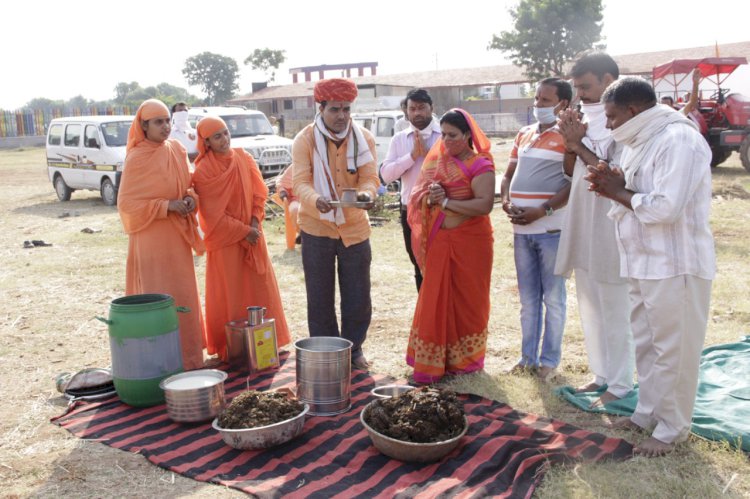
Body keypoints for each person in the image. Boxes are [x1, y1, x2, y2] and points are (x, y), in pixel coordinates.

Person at [586, 77, 715, 457]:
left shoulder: (679, 139)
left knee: (674, 349)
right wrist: (616, 182)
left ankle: (673, 428)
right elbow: (636, 190)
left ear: (633, 111)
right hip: (641, 259)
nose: (607, 125)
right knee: (647, 342)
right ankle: (647, 412)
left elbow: (664, 207)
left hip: (675, 263)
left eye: (611, 117)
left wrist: (617, 191)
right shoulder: (641, 139)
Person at [556, 52, 635, 407]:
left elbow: (611, 172)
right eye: (577, 88)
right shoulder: (582, 118)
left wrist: (578, 143)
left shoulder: (625, 120)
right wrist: (570, 142)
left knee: (614, 303)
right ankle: (601, 374)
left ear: (608, 81)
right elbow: (572, 172)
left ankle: (620, 384)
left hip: (611, 219)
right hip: (583, 216)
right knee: (589, 301)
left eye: (586, 87)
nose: (581, 95)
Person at [292, 78, 380, 370]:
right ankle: (327, 351)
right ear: (321, 108)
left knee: (358, 294)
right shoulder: (304, 139)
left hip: (355, 227)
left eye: (346, 109)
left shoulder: (363, 136)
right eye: (335, 110)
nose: (342, 115)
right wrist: (316, 199)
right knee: (319, 296)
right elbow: (300, 182)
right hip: (316, 227)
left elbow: (370, 176)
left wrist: (367, 193)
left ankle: (354, 350)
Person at [406, 109, 495, 384]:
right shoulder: (438, 162)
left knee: (468, 301)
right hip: (441, 241)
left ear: (468, 135)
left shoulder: (481, 164)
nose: (445, 141)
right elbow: (419, 193)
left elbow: (484, 205)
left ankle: (465, 361)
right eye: (443, 135)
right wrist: (430, 195)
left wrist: (445, 203)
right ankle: (433, 363)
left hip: (472, 243)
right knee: (435, 298)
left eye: (452, 135)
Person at [192, 116, 290, 362]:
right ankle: (234, 348)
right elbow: (213, 216)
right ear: (206, 142)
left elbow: (259, 194)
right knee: (231, 294)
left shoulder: (243, 158)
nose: (224, 140)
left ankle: (266, 345)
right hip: (227, 243)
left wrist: (255, 224)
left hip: (253, 237)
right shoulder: (204, 171)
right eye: (217, 137)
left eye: (225, 133)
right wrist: (244, 230)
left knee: (260, 289)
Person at [117, 99, 206, 370]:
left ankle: (189, 360)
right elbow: (126, 205)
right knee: (159, 298)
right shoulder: (137, 157)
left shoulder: (177, 149)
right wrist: (166, 206)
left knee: (184, 296)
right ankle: (158, 365)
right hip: (151, 238)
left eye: (168, 120)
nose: (166, 127)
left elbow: (190, 185)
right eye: (159, 122)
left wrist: (190, 199)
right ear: (144, 125)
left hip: (177, 236)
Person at [501, 78, 573, 382]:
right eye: (537, 99)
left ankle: (549, 361)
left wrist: (541, 211)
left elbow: (571, 184)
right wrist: (506, 201)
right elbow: (507, 176)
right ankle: (526, 358)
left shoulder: (569, 138)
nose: (538, 105)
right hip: (522, 232)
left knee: (553, 299)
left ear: (563, 105)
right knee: (528, 300)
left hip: (551, 231)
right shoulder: (524, 133)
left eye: (545, 100)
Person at [381, 88, 441, 291]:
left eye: (422, 108)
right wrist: (412, 156)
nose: (417, 113)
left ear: (431, 108)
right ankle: (425, 318)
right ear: (406, 112)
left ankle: (443, 315)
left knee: (441, 263)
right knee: (418, 264)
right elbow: (386, 175)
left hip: (441, 209)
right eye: (412, 108)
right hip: (411, 210)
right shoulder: (399, 139)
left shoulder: (445, 135)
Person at [274, 164, 301, 250]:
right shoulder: (295, 165)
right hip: (295, 199)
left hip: (315, 200)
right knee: (295, 209)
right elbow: (281, 182)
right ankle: (303, 234)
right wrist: (282, 191)